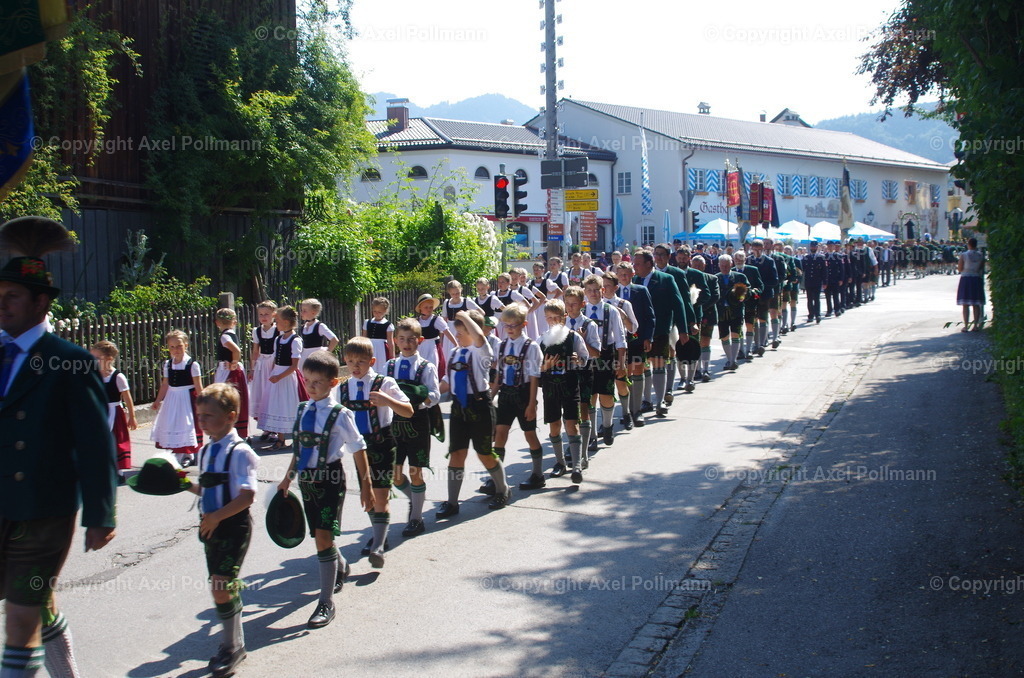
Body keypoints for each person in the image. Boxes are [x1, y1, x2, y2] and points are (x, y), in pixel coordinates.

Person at [0, 216, 116, 678]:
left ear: (41, 301)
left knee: (20, 612)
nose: (2, 305)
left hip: (43, 509)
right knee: (36, 601)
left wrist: (101, 513)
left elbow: (93, 442)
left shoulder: (69, 361)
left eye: (11, 297)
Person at [278, 350, 371, 629]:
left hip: (330, 481)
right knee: (320, 536)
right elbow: (299, 449)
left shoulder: (340, 414)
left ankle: (326, 602)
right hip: (306, 482)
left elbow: (358, 449)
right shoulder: (302, 409)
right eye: (306, 380)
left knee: (322, 538)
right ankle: (340, 564)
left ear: (333, 383)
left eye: (317, 382)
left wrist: (366, 486)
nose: (310, 386)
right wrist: (286, 479)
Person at [191, 383, 260, 677]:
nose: (202, 420)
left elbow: (247, 497)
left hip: (232, 525)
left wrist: (217, 517)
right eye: (199, 415)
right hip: (211, 525)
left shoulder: (240, 452)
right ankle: (235, 641)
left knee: (221, 584)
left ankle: (231, 647)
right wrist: (181, 483)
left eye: (208, 415)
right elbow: (206, 488)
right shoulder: (206, 451)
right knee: (220, 586)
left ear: (231, 416)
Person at [336, 337, 413, 567]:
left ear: (372, 361)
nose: (355, 366)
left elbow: (408, 411)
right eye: (350, 361)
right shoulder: (342, 388)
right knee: (368, 497)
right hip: (360, 450)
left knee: (380, 496)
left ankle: (379, 545)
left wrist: (387, 400)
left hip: (382, 445)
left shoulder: (384, 382)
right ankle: (380, 533)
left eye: (360, 361)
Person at [438, 309, 512, 516]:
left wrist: (464, 316)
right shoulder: (454, 352)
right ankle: (452, 502)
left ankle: (503, 489)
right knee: (456, 454)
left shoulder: (482, 351)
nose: (458, 334)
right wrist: (429, 396)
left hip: (479, 406)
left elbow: (479, 337)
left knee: (485, 453)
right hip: (459, 408)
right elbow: (446, 380)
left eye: (461, 331)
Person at [385, 320, 441, 537]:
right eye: (402, 339)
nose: (406, 343)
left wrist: (421, 396)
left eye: (411, 339)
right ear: (396, 340)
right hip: (395, 424)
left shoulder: (426, 366)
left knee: (415, 471)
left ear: (420, 340)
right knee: (395, 475)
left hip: (418, 422)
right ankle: (415, 499)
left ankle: (417, 518)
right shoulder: (389, 366)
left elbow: (435, 395)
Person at [489, 304, 545, 490]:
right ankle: (496, 478)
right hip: (505, 394)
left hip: (524, 394)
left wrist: (531, 404)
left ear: (524, 325)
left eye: (514, 325)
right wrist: (491, 397)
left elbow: (534, 377)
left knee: (529, 434)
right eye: (507, 325)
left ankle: (537, 474)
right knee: (500, 434)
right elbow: (498, 375)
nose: (510, 329)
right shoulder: (501, 345)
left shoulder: (532, 346)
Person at [539, 299, 590, 484]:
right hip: (550, 388)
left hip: (569, 385)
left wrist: (578, 360)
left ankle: (576, 465)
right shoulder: (541, 339)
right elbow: (536, 368)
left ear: (564, 317)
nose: (553, 321)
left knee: (571, 424)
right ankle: (559, 462)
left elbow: (585, 358)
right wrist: (545, 366)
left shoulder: (573, 337)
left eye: (556, 318)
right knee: (554, 426)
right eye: (549, 318)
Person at [632, 251, 688, 418]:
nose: (635, 267)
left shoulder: (666, 279)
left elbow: (679, 304)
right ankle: (646, 400)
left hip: (660, 329)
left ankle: (660, 401)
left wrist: (684, 329)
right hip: (639, 332)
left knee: (659, 363)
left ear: (649, 264)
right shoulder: (634, 281)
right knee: (641, 366)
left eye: (638, 264)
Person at [582, 275, 627, 447]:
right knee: (589, 397)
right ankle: (592, 435)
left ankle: (607, 426)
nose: (593, 293)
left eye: (596, 290)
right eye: (589, 290)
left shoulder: (611, 310)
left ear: (603, 290)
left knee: (607, 396)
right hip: (585, 358)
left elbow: (621, 339)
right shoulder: (582, 311)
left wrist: (621, 363)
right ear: (585, 292)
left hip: (606, 356)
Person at [151, 329, 204, 466]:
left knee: (187, 424)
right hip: (172, 398)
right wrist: (158, 400)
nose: (176, 350)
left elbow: (198, 386)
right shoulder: (168, 364)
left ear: (186, 345)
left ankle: (189, 453)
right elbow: (165, 384)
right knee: (173, 424)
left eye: (179, 346)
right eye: (172, 347)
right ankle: (177, 452)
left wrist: (203, 403)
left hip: (187, 398)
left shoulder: (192, 365)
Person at [614, 261, 655, 428]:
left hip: (637, 338)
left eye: (627, 274)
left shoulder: (641, 290)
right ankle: (626, 411)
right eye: (621, 274)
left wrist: (648, 337)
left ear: (633, 275)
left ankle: (636, 410)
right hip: (618, 340)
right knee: (624, 374)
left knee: (638, 370)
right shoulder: (612, 294)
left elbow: (649, 316)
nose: (624, 277)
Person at [90, 341, 137, 485]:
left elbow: (127, 397)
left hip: (114, 412)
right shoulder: (93, 374)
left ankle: (119, 472)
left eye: (98, 358)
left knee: (117, 441)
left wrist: (132, 417)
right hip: (99, 412)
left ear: (109, 358)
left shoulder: (118, 377)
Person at [563, 286, 602, 457]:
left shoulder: (589, 324)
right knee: (569, 411)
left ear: (582, 304)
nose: (570, 307)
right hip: (565, 372)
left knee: (584, 408)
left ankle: (583, 450)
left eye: (574, 304)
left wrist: (583, 341)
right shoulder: (560, 323)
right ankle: (572, 445)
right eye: (568, 304)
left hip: (584, 370)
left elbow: (597, 353)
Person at [262, 306, 303, 450]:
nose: (275, 322)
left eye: (277, 320)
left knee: (289, 406)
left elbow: (294, 366)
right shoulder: (278, 339)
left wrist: (279, 376)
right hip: (277, 376)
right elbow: (275, 359)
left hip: (287, 377)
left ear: (285, 322)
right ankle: (280, 438)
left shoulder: (295, 340)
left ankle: (296, 438)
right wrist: (273, 373)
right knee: (277, 406)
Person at [212, 308, 250, 439]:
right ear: (234, 322)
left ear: (217, 323)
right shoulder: (231, 333)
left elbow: (236, 350)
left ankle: (225, 430)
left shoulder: (225, 336)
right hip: (233, 369)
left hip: (228, 371)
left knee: (224, 398)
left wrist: (233, 362)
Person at [248, 300, 278, 438]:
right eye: (261, 314)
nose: (263, 317)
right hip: (261, 363)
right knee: (261, 393)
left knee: (272, 394)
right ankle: (265, 426)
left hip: (274, 362)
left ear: (274, 315)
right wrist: (252, 368)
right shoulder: (257, 331)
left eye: (266, 314)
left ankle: (274, 426)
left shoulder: (278, 330)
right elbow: (255, 351)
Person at [689, 255, 720, 382]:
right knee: (695, 343)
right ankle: (696, 370)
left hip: (708, 314)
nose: (697, 267)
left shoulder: (712, 278)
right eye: (695, 265)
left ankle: (705, 369)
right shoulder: (688, 278)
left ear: (704, 266)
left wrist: (701, 306)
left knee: (705, 341)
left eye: (699, 265)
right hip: (693, 315)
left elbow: (715, 296)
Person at [715, 254, 749, 371]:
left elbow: (747, 292)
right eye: (722, 265)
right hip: (721, 312)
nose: (724, 268)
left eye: (726, 265)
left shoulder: (740, 277)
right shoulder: (715, 278)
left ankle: (733, 360)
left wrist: (740, 296)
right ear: (719, 265)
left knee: (735, 334)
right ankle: (730, 359)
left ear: (731, 264)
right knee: (724, 336)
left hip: (736, 311)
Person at [413, 294, 455, 376]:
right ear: (420, 308)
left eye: (430, 307)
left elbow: (447, 332)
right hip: (420, 348)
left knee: (433, 367)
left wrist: (456, 344)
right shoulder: (417, 321)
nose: (429, 309)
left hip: (433, 347)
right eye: (426, 307)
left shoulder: (436, 320)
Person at [441, 280, 481, 363]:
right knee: (449, 353)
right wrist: (441, 337)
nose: (455, 296)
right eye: (453, 294)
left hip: (462, 329)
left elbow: (481, 312)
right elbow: (443, 321)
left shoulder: (467, 301)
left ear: (461, 290)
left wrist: (468, 316)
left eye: (457, 293)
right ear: (449, 292)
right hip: (450, 330)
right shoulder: (447, 303)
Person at [298, 298, 339, 369]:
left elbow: (334, 340)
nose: (301, 313)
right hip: (304, 356)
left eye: (304, 311)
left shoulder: (319, 326)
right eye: (301, 310)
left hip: (316, 356)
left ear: (313, 312)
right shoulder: (303, 327)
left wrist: (326, 354)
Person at [957, 237, 985, 332]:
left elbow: (960, 268)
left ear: (968, 244)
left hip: (966, 278)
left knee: (965, 303)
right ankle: (976, 325)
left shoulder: (964, 255)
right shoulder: (981, 255)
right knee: (976, 303)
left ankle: (966, 325)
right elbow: (981, 268)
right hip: (976, 278)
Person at [362, 297, 395, 369]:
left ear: (385, 311)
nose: (377, 314)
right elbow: (364, 338)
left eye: (379, 312)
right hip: (369, 347)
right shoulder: (367, 322)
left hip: (381, 349)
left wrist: (392, 356)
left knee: (381, 367)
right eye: (374, 311)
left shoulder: (388, 325)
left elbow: (390, 341)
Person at [802, 241, 828, 324]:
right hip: (808, 281)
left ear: (817, 247)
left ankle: (817, 315)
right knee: (809, 299)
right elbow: (802, 268)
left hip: (817, 281)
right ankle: (810, 315)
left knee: (816, 299)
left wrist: (825, 282)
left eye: (815, 247)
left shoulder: (821, 257)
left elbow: (824, 271)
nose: (813, 248)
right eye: (812, 246)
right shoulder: (806, 257)